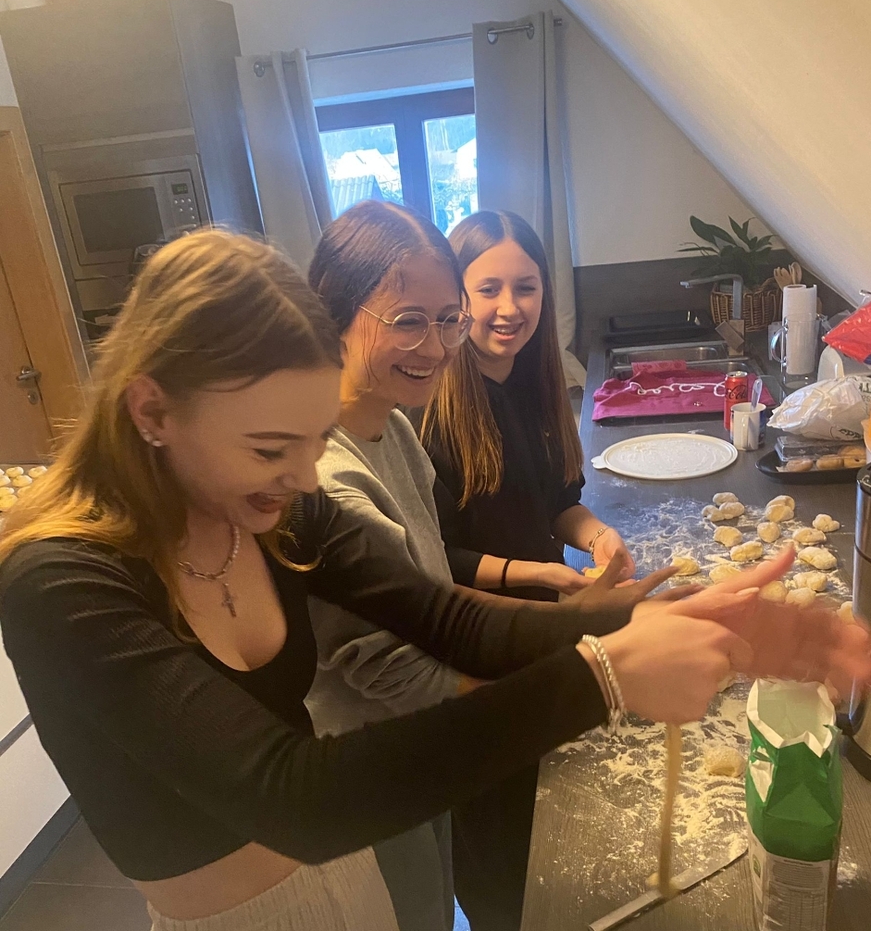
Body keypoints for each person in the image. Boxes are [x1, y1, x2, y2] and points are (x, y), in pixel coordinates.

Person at [0, 230, 866, 931]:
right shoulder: (62, 585)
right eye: (269, 449)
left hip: (353, 881)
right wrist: (603, 678)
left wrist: (665, 621)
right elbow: (295, 796)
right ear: (152, 410)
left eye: (314, 441)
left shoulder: (270, 510)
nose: (302, 478)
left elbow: (451, 621)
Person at [304, 201, 695, 931]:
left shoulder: (391, 428)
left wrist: (586, 621)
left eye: (444, 320)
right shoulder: (330, 479)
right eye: (409, 321)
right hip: (373, 763)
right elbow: (393, 670)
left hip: (429, 743)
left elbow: (438, 609)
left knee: (446, 900)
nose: (435, 346)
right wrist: (588, 673)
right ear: (334, 314)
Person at [421, 210, 636, 605]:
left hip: (545, 609)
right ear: (456, 298)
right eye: (488, 290)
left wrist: (600, 538)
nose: (510, 308)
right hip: (481, 621)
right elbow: (435, 558)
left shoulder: (535, 384)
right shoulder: (427, 412)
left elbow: (557, 504)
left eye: (525, 288)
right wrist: (537, 573)